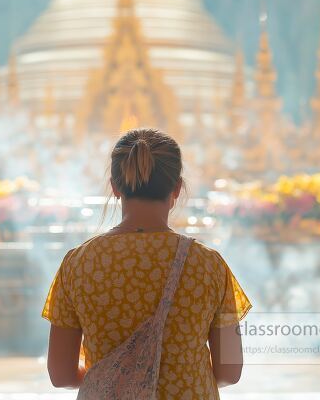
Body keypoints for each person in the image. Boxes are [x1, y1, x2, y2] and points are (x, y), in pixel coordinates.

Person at [43, 128, 251, 398]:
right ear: (177, 188)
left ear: (115, 187)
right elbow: (230, 371)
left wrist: (115, 377)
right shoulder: (208, 264)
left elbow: (61, 375)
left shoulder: (79, 263)